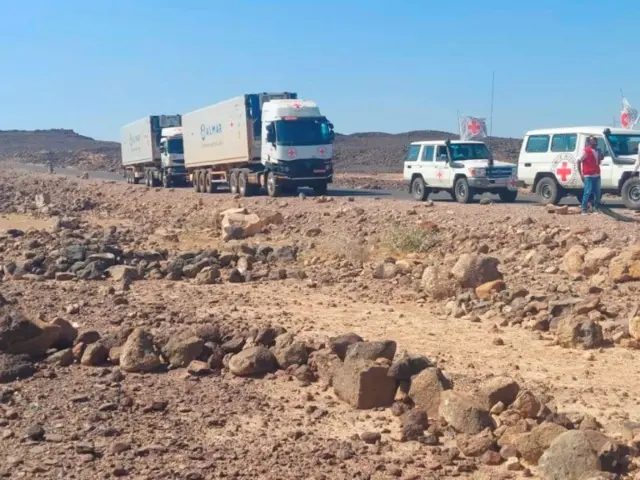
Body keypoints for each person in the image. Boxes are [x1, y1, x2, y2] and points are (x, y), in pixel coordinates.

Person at [576, 136, 603, 215]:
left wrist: (600, 153)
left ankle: (595, 208)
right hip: (588, 175)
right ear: (589, 142)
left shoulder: (597, 150)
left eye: (595, 140)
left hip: (597, 174)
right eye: (592, 140)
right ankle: (584, 209)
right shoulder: (585, 151)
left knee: (597, 192)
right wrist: (581, 174)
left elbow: (601, 158)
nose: (594, 141)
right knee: (587, 192)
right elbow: (578, 161)